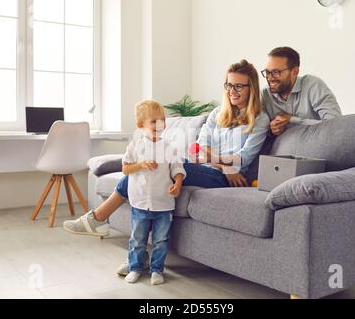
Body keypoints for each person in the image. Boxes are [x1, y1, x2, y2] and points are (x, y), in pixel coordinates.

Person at [63, 59, 270, 275]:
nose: (232, 91)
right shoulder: (217, 114)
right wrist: (225, 163)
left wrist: (219, 162)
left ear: (251, 87)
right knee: (149, 171)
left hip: (222, 179)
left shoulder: (260, 119)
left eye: (239, 86)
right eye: (229, 85)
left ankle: (97, 219)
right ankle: (133, 254)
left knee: (160, 165)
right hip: (217, 169)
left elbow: (243, 159)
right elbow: (197, 150)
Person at [121, 100, 185, 285]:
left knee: (161, 240)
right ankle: (135, 267)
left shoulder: (169, 148)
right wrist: (141, 164)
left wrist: (178, 183)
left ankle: (157, 270)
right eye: (153, 121)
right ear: (141, 125)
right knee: (137, 240)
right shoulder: (135, 146)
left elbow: (177, 168)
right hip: (140, 203)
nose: (160, 125)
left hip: (163, 204)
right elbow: (125, 169)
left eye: (162, 120)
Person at [261, 47, 342, 136]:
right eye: (267, 72)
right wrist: (271, 131)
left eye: (276, 72)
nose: (270, 78)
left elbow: (335, 124)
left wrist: (292, 120)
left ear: (295, 72)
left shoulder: (313, 85)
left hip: (319, 144)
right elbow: (258, 131)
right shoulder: (265, 95)